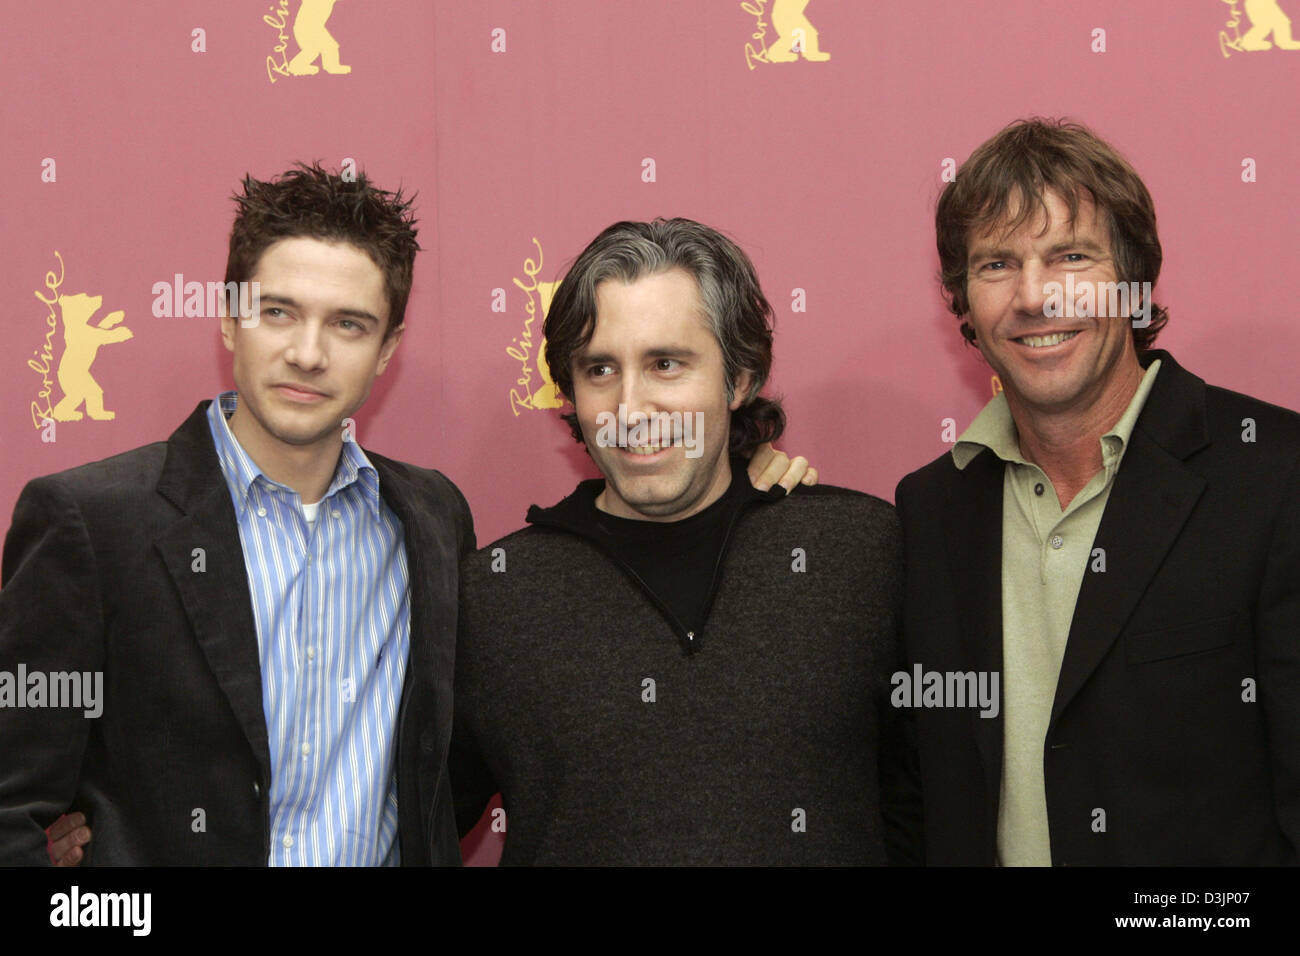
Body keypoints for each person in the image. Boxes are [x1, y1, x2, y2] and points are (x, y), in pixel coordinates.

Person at [0, 163, 475, 865]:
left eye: (348, 324)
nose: (306, 354)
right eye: (277, 312)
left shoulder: (433, 519)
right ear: (228, 319)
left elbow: (444, 777)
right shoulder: (93, 524)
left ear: (387, 352)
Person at [450, 218, 920, 865]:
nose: (632, 406)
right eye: (600, 370)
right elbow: (407, 819)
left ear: (741, 378)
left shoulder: (861, 551)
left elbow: (933, 807)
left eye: (666, 364)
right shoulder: (494, 593)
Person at [894, 118, 1300, 865]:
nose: (1034, 296)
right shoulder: (929, 510)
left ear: (1134, 281)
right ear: (964, 305)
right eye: (995, 265)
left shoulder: (1276, 476)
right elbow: (920, 791)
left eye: (1070, 256)